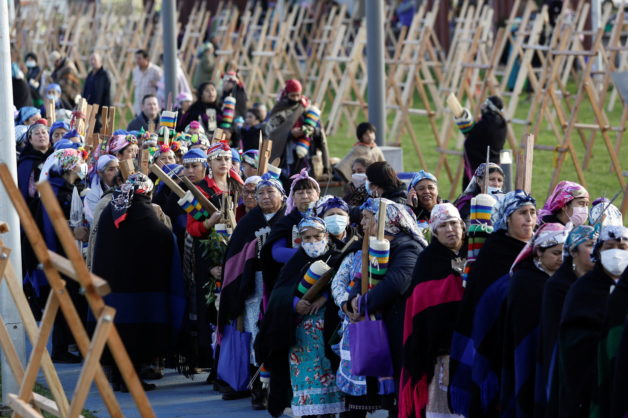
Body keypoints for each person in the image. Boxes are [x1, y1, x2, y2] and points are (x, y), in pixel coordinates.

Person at [92, 173, 185, 391]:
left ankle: (117, 377)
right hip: (136, 291)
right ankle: (129, 380)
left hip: (110, 288)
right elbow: (162, 236)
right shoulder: (141, 209)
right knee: (134, 335)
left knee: (116, 333)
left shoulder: (112, 208)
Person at [449, 190, 537, 417]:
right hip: (496, 341)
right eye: (522, 213)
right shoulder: (495, 251)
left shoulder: (539, 250)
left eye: (532, 212)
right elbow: (484, 304)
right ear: (507, 219)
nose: (529, 219)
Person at [256, 216, 345, 417]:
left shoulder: (338, 257)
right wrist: (295, 304)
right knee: (306, 378)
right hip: (300, 338)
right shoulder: (295, 262)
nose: (313, 242)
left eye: (317, 236)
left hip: (329, 334)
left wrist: (324, 298)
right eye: (307, 238)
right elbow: (279, 294)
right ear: (300, 240)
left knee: (329, 376)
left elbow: (344, 286)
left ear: (326, 236)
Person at [345, 198, 427, 415]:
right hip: (384, 326)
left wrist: (362, 304)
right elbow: (360, 277)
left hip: (403, 327)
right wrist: (351, 302)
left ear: (387, 220)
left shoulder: (408, 247)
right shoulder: (374, 247)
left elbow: (396, 283)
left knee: (403, 388)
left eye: (367, 218)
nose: (362, 223)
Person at [219, 175, 286, 408]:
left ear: (282, 195)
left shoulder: (287, 220)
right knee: (255, 337)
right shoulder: (249, 222)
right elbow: (234, 257)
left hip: (280, 284)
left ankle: (280, 390)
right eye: (261, 194)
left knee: (278, 334)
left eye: (271, 192)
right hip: (254, 288)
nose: (266, 197)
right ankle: (258, 392)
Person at [400, 203, 466, 418]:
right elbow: (421, 305)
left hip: (469, 347)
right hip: (439, 352)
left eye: (453, 223)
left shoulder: (475, 253)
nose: (450, 229)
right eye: (443, 225)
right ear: (435, 231)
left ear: (462, 226)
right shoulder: (427, 261)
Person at [556, 225, 628, 417]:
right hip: (590, 384)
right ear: (599, 252)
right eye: (609, 247)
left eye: (623, 248)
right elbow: (573, 343)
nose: (616, 253)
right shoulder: (583, 291)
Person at [500, 223, 568, 417]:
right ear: (538, 251)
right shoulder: (524, 282)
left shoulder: (565, 280)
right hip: (528, 351)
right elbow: (521, 327)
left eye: (564, 252)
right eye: (555, 253)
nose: (561, 259)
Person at [537, 225, 598, 417]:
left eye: (598, 245)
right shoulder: (557, 286)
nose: (596, 250)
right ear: (573, 251)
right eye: (589, 245)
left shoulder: (600, 283)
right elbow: (554, 335)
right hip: (564, 365)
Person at [35, 149, 89, 363]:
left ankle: (70, 344)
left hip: (66, 250)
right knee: (64, 298)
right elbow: (54, 224)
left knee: (72, 298)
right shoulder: (56, 191)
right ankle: (60, 348)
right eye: (78, 163)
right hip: (60, 252)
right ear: (70, 167)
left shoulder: (68, 188)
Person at [260, 169, 321, 292]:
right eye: (299, 193)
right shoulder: (286, 223)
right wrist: (308, 254)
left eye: (309, 192)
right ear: (293, 197)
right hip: (293, 278)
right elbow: (276, 252)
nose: (305, 196)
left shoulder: (326, 217)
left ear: (318, 194)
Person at [264, 79, 321, 177]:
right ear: (287, 94)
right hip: (284, 154)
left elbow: (317, 128)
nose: (295, 99)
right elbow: (271, 132)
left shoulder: (306, 108)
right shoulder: (280, 108)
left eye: (298, 95)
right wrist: (290, 134)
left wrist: (309, 130)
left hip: (306, 152)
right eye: (292, 95)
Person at [454, 96, 507, 189]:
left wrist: (466, 125)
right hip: (494, 162)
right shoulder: (502, 122)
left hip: (478, 163)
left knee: (475, 191)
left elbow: (471, 139)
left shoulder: (487, 122)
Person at [84, 155, 120, 224]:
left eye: (118, 168)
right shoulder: (93, 195)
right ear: (100, 173)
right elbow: (95, 220)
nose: (117, 172)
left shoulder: (123, 186)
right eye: (111, 169)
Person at [82, 53, 112, 133]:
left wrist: (105, 112)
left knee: (98, 132)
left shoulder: (105, 75)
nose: (92, 62)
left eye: (94, 60)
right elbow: (85, 91)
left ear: (100, 61)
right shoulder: (90, 74)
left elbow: (108, 95)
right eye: (91, 60)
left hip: (99, 110)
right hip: (89, 109)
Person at [132, 49, 162, 115]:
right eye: (136, 58)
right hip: (138, 107)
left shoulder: (156, 71)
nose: (137, 61)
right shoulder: (135, 71)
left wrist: (156, 84)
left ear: (147, 59)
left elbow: (163, 86)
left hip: (151, 108)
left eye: (139, 58)